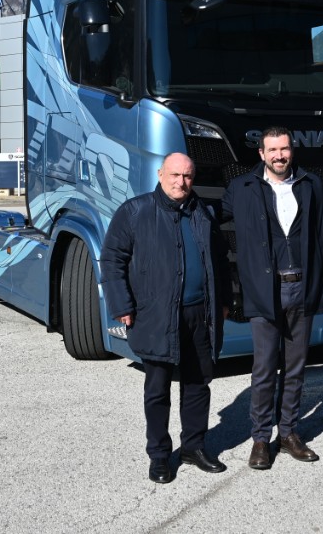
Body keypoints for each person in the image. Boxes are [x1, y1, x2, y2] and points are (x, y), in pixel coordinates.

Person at [100, 152, 233, 484]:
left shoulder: (202, 212)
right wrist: (122, 305)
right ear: (160, 174)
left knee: (198, 383)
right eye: (175, 175)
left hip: (199, 313)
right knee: (157, 389)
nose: (181, 182)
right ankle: (159, 455)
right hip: (155, 314)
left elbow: (220, 259)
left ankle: (194, 446)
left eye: (187, 176)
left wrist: (225, 301)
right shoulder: (135, 211)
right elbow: (112, 259)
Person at [221, 127, 323, 470]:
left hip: (302, 288)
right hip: (264, 291)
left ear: (291, 151)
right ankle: (261, 439)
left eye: (284, 149)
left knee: (295, 368)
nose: (279, 155)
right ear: (261, 154)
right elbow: (214, 227)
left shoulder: (311, 185)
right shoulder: (241, 188)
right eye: (272, 150)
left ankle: (290, 432)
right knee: (264, 368)